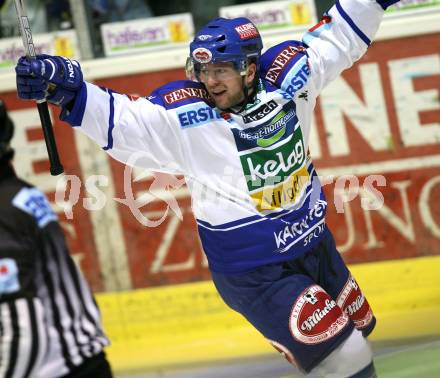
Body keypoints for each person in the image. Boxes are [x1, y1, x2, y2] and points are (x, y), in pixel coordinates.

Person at [14, 0, 400, 376]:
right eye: (202, 69)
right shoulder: (185, 114)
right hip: (255, 272)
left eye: (221, 71)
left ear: (250, 69)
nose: (209, 80)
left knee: (359, 330)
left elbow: (337, 38)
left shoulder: (291, 73)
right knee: (345, 355)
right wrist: (67, 88)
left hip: (315, 243)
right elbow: (126, 119)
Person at [0, 100, 112, 377]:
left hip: (54, 369)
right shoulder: (17, 194)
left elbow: (22, 329)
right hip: (80, 362)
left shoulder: (4, 211)